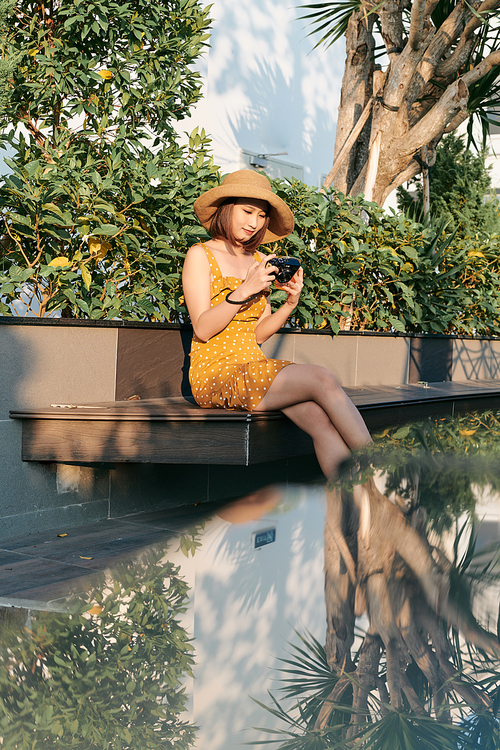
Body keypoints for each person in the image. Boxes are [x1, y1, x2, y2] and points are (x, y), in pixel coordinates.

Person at [182, 169, 371, 477]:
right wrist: (244, 290)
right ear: (227, 209)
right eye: (246, 211)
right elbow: (202, 329)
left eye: (260, 215)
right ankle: (380, 472)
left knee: (319, 420)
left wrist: (290, 303)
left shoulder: (258, 262)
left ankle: (357, 506)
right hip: (215, 373)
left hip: (252, 367)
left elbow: (257, 333)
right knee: (323, 380)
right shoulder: (200, 255)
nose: (253, 222)